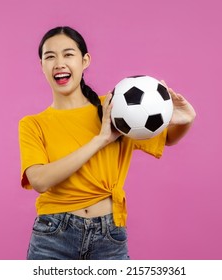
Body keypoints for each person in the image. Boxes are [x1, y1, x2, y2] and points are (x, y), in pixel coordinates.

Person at [19, 26, 196, 260]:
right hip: (53, 236)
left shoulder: (116, 109)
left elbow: (169, 138)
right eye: (50, 57)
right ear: (41, 65)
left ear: (85, 60)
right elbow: (40, 181)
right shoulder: (33, 124)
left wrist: (187, 119)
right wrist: (101, 139)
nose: (59, 63)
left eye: (68, 54)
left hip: (109, 235)